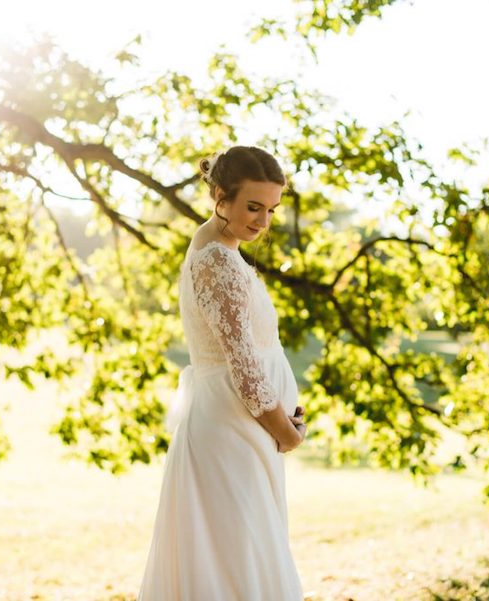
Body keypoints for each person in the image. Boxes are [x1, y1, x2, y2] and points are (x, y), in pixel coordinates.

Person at [137, 146, 307, 600]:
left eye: (271, 209)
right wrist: (287, 434)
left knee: (237, 560)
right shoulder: (217, 261)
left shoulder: (217, 247)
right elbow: (246, 370)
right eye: (253, 207)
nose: (263, 222)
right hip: (235, 431)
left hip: (242, 427)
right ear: (220, 196)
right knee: (237, 566)